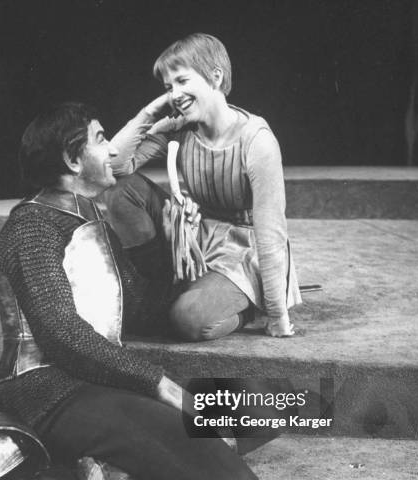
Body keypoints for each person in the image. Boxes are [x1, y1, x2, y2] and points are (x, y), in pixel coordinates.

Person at [0, 102, 418, 480]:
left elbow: (144, 309)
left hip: (101, 384)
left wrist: (173, 237)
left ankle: (113, 461)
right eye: (99, 136)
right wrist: (159, 384)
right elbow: (62, 336)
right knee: (180, 430)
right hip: (49, 391)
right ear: (71, 159)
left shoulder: (90, 219)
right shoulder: (30, 226)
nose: (111, 148)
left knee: (282, 402)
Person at [109, 33, 301, 341]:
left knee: (188, 319)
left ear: (215, 76)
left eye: (183, 81)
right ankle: (155, 290)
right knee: (122, 191)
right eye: (168, 87)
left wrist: (277, 312)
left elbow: (272, 232)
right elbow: (115, 167)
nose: (175, 94)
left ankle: (250, 307)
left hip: (243, 249)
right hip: (194, 237)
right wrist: (149, 113)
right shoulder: (179, 127)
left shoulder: (257, 140)